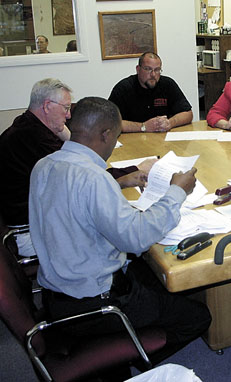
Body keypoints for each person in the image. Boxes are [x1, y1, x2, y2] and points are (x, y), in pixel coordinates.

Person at [29, 96, 211, 349]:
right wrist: (177, 192)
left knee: (154, 278)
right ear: (105, 135)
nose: (114, 145)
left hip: (56, 293)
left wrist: (120, 182)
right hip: (94, 301)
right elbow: (136, 239)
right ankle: (129, 355)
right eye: (115, 138)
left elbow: (74, 201)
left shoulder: (44, 165)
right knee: (198, 316)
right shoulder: (93, 179)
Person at [0, 78, 154, 258]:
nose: (68, 116)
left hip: (31, 219)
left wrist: (64, 132)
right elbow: (85, 178)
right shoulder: (34, 139)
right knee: (119, 233)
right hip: (29, 232)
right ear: (47, 106)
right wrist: (133, 169)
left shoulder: (27, 126)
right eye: (65, 108)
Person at [109, 52, 193, 133]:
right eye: (148, 69)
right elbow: (110, 122)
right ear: (138, 69)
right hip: (132, 140)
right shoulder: (123, 88)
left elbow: (188, 114)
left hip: (161, 140)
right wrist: (143, 126)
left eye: (157, 70)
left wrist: (170, 123)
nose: (153, 74)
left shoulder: (168, 84)